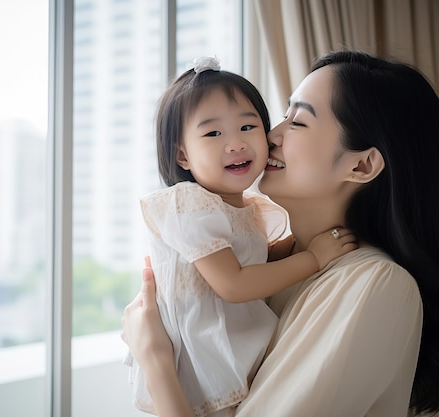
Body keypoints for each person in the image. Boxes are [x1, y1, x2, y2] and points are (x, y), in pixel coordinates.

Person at [121, 50, 439, 417]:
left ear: (361, 164)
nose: (272, 135)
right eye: (282, 116)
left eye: (297, 122)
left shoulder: (376, 284)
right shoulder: (279, 264)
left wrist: (155, 361)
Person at [124, 56, 357, 417]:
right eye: (213, 133)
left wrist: (296, 245)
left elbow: (253, 258)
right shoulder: (190, 205)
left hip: (226, 353)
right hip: (200, 363)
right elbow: (233, 283)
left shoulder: (241, 207)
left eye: (248, 128)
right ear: (183, 155)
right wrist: (313, 257)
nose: (235, 144)